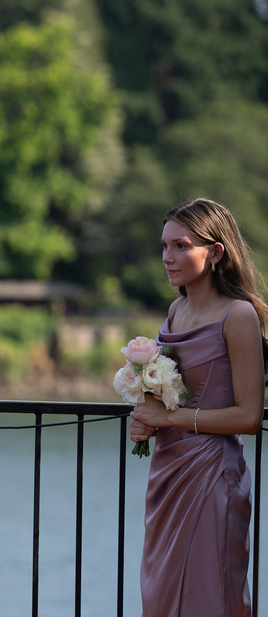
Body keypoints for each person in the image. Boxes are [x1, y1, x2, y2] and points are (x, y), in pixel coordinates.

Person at [129, 198, 265, 616]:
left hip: (210, 478)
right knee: (162, 597)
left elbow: (248, 418)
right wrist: (146, 420)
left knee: (210, 597)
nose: (168, 257)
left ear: (216, 252)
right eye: (165, 246)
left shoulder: (237, 316)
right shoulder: (176, 309)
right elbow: (175, 392)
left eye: (181, 246)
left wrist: (168, 417)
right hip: (167, 476)